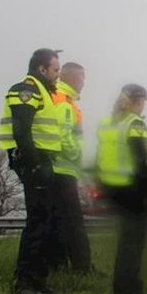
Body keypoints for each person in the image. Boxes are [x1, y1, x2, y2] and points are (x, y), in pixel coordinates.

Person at [0, 48, 63, 294]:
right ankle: (24, 282)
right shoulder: (26, 89)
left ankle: (38, 280)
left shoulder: (44, 92)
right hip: (33, 162)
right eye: (55, 69)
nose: (58, 74)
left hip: (44, 162)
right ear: (41, 69)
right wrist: (34, 164)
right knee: (37, 221)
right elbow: (22, 131)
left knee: (45, 221)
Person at [96, 84, 147, 294]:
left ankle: (135, 288)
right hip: (133, 192)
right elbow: (140, 162)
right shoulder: (135, 123)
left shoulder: (107, 123)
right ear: (138, 101)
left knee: (129, 242)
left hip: (113, 189)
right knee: (131, 247)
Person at [47, 61, 95, 273]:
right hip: (63, 169)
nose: (84, 83)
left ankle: (57, 263)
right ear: (74, 78)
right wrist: (75, 155)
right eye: (83, 78)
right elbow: (65, 135)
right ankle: (83, 267)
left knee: (57, 221)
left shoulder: (55, 96)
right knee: (75, 223)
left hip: (53, 169)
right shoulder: (65, 101)